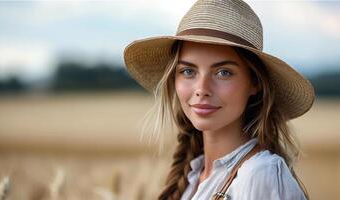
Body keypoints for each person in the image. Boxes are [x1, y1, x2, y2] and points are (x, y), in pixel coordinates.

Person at [123, 0, 315, 199]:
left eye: (223, 72)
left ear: (255, 83)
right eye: (188, 71)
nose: (202, 89)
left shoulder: (259, 175)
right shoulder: (193, 178)